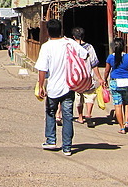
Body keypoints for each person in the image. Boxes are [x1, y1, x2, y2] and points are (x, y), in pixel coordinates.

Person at [34, 19, 89, 156]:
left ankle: (51, 140)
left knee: (51, 113)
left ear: (47, 31)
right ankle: (67, 147)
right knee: (68, 117)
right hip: (69, 86)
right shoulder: (69, 43)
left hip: (53, 88)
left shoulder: (47, 46)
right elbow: (85, 55)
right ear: (61, 30)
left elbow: (42, 69)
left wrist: (41, 86)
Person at [103, 36, 128, 133]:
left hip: (115, 82)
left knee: (117, 105)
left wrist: (104, 80)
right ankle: (127, 122)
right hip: (127, 82)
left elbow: (107, 70)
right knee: (126, 103)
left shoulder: (110, 57)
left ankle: (122, 127)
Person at [71, 27, 104, 126]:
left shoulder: (71, 47)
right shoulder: (89, 47)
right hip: (88, 76)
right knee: (89, 95)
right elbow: (94, 64)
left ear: (73, 36)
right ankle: (88, 114)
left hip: (76, 77)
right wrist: (99, 78)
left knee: (78, 96)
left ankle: (80, 117)